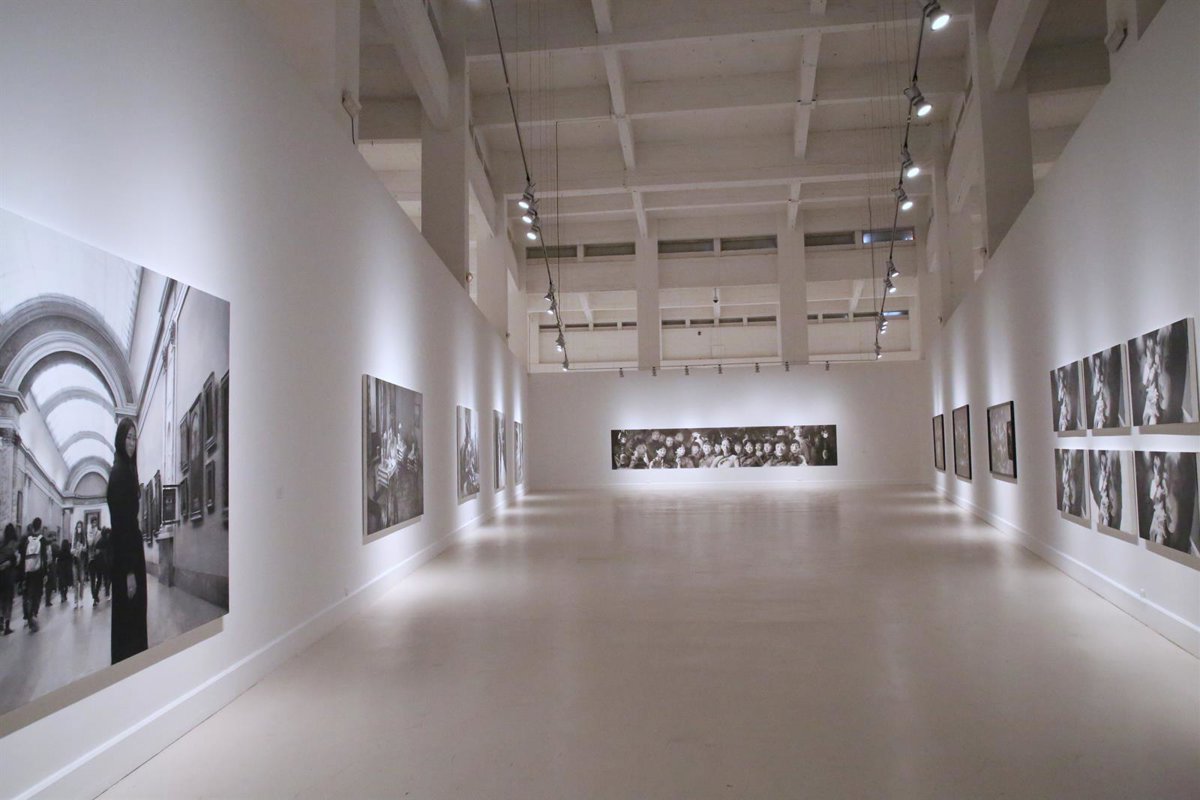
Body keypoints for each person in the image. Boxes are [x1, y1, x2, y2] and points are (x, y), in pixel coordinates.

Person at [107, 418, 148, 664]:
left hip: (130, 554)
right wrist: (130, 572)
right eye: (128, 437)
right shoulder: (120, 473)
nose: (131, 443)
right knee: (129, 621)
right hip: (127, 560)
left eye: (134, 438)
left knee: (132, 619)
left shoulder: (127, 470)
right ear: (120, 440)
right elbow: (122, 527)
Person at [21, 518, 49, 632]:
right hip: (39, 571)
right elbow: (45, 557)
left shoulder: (27, 540)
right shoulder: (42, 540)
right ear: (40, 526)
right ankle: (33, 614)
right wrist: (46, 572)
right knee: (38, 593)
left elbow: (23, 556)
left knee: (29, 593)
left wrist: (23, 571)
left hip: (28, 570)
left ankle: (29, 615)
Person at [0, 523, 18, 635]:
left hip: (1, 576)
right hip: (9, 577)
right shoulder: (14, 545)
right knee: (9, 601)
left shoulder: (1, 544)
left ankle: (0, 620)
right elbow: (15, 561)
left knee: (1, 599)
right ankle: (7, 626)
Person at [73, 521, 89, 608]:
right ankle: (76, 601)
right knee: (75, 581)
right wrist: (74, 550)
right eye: (78, 526)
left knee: (82, 580)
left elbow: (86, 548)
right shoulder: (74, 536)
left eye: (80, 526)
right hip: (75, 560)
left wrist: (82, 548)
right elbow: (71, 548)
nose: (79, 528)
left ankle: (81, 598)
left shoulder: (84, 537)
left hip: (82, 561)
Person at [55, 538, 74, 606]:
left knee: (61, 583)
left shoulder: (59, 552)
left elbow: (57, 561)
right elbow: (71, 561)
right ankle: (65, 595)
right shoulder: (69, 553)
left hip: (61, 569)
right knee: (66, 584)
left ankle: (62, 595)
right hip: (67, 570)